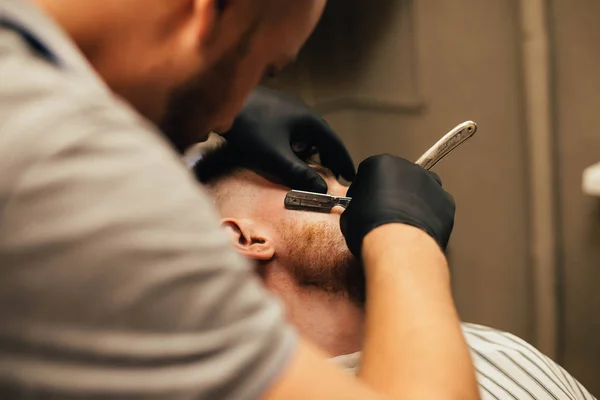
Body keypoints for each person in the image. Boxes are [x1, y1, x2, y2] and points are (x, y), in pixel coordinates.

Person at [0, 1, 478, 399]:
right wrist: (406, 236)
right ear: (206, 12)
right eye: (265, 70)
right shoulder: (67, 171)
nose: (226, 115)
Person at [194, 137, 597, 400]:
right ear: (244, 238)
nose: (357, 193)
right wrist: (404, 235)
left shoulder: (492, 345)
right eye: (320, 183)